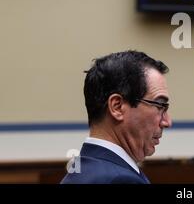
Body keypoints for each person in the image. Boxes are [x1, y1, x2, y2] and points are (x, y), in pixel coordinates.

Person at [61, 50, 172, 184]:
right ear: (117, 107)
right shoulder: (120, 180)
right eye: (159, 105)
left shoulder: (81, 172)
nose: (167, 122)